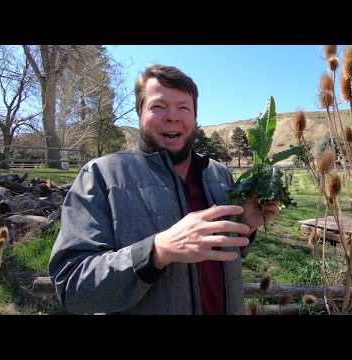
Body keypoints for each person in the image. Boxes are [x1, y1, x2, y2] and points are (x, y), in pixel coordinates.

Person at [49, 64, 279, 315]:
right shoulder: (101, 177)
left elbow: (228, 250)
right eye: (158, 106)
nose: (173, 116)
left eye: (184, 107)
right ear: (140, 113)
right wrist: (157, 251)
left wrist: (245, 227)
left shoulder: (219, 174)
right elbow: (71, 287)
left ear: (195, 117)